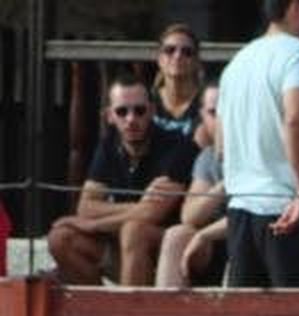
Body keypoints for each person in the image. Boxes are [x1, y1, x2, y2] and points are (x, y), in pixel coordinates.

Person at [219, 0, 299, 289]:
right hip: (293, 214)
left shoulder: (238, 61)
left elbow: (220, 145)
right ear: (297, 8)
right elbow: (296, 118)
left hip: (241, 214)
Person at [47, 73, 198, 286]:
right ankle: (101, 312)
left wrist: (94, 225)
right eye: (122, 111)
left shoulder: (178, 147)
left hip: (171, 250)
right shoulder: (108, 144)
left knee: (134, 230)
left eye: (139, 110)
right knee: (60, 238)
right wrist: (140, 204)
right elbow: (86, 206)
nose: (131, 119)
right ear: (109, 115)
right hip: (123, 244)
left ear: (152, 111)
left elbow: (153, 214)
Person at [155, 85, 228, 288]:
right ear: (203, 117)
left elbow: (258, 216)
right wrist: (226, 183)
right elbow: (190, 216)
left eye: (228, 110)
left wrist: (206, 234)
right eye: (214, 113)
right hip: (214, 245)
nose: (223, 120)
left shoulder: (262, 153)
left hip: (253, 238)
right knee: (177, 235)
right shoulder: (207, 157)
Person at [151, 23, 205, 142]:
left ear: (197, 61)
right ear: (159, 59)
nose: (178, 56)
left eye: (187, 52)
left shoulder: (207, 105)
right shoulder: (146, 102)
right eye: (170, 50)